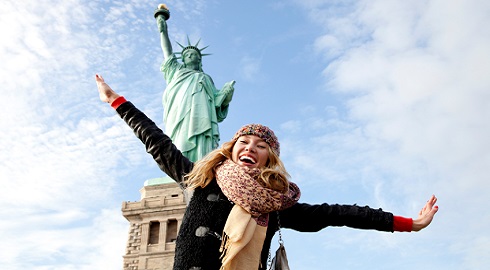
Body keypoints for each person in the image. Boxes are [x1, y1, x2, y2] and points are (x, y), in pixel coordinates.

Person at [96, 74, 439, 270]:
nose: (250, 147)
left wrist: (408, 224)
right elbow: (157, 141)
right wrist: (117, 101)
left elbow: (338, 214)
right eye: (243, 141)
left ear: (268, 159)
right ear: (231, 149)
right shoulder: (202, 179)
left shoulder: (276, 205)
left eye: (260, 146)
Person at [156, 8, 235, 162]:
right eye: (187, 55)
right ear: (183, 60)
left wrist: (226, 95)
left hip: (202, 115)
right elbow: (167, 51)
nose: (190, 56)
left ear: (200, 59)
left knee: (202, 140)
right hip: (180, 113)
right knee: (178, 140)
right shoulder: (176, 71)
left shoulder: (206, 78)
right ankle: (179, 167)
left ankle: (200, 166)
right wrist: (163, 31)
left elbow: (217, 106)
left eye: (194, 55)